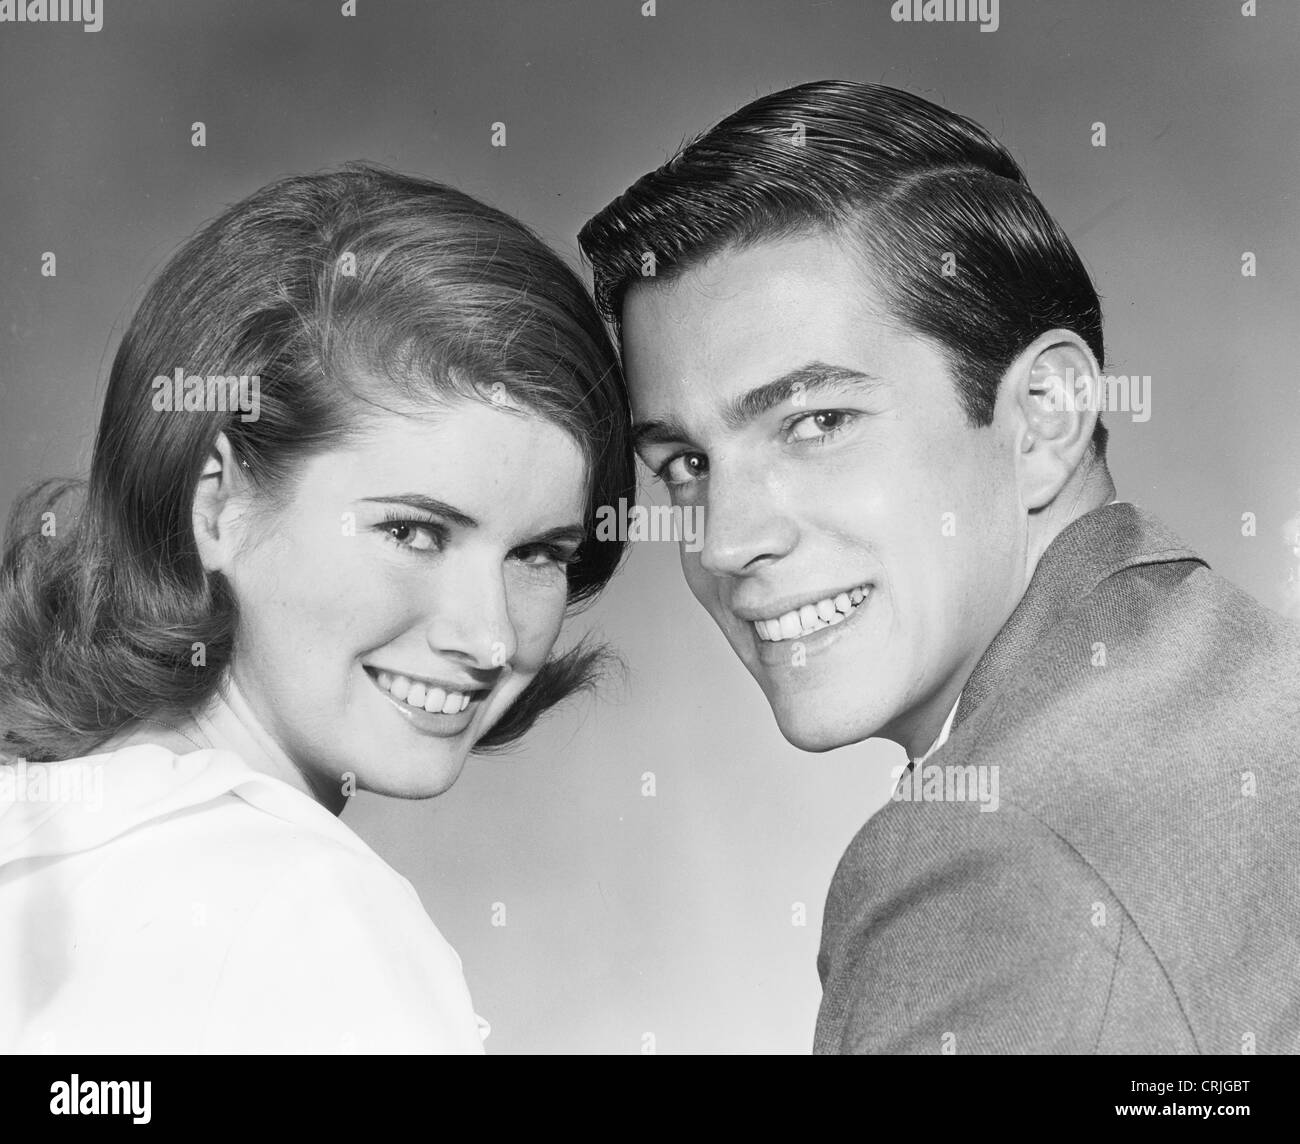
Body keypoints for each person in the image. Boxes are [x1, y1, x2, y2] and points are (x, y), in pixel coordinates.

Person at [579, 80, 1300, 1054]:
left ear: (1042, 415)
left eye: (816, 423)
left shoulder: (985, 850)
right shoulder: (1234, 668)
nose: (720, 539)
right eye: (685, 465)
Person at [0, 163, 633, 1053]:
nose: (489, 637)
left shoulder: (39, 834)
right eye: (415, 532)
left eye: (538, 554)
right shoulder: (307, 916)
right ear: (214, 503)